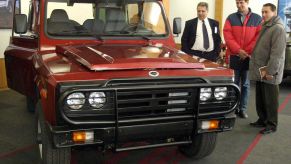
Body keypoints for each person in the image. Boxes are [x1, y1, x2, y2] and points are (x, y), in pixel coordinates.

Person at [249, 3, 286, 134]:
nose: (263, 15)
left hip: (269, 69)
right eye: (262, 12)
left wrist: (271, 72)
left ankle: (271, 124)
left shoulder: (278, 29)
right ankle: (262, 119)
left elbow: (277, 55)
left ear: (274, 13)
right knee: (261, 97)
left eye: (266, 12)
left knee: (270, 100)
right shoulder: (266, 26)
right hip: (261, 68)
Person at [223, 0, 262, 118]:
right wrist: (238, 50)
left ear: (247, 2)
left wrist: (246, 51)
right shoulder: (231, 18)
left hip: (248, 56)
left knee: (245, 84)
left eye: (241, 3)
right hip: (234, 56)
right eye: (237, 3)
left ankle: (242, 109)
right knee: (233, 83)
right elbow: (227, 36)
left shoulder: (257, 18)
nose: (239, 5)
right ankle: (232, 107)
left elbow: (258, 37)